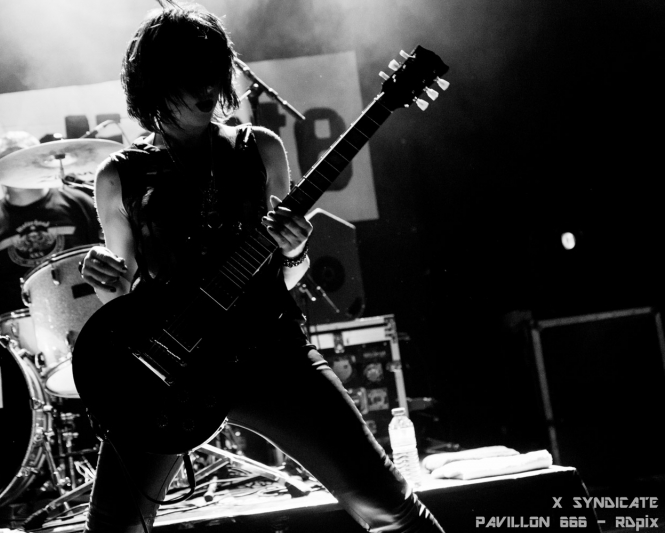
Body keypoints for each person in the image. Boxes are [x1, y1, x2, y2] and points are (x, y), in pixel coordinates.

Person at [77, 3, 445, 532]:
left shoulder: (259, 149)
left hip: (270, 351)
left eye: (214, 70)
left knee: (388, 504)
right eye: (190, 75)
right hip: (174, 372)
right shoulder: (119, 177)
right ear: (155, 82)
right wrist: (109, 282)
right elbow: (128, 301)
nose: (208, 86)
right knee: (113, 529)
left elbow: (286, 276)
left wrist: (293, 251)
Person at [0, 131, 102, 323]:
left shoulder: (79, 203)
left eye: (20, 158)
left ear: (41, 161)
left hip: (85, 317)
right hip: (21, 328)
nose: (14, 166)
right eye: (5, 160)